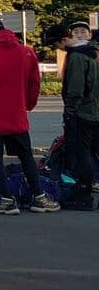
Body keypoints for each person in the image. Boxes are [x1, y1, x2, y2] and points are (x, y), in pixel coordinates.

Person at [0, 19, 59, 214]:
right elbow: (34, 84)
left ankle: (6, 199)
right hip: (17, 115)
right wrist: (28, 105)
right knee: (26, 157)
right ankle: (39, 196)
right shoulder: (27, 53)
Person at [57, 21, 96, 210]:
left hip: (85, 112)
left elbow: (76, 90)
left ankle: (84, 194)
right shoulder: (92, 53)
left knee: (83, 153)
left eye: (83, 31)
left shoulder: (78, 56)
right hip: (94, 110)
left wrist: (69, 113)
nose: (79, 34)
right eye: (76, 31)